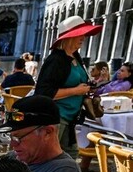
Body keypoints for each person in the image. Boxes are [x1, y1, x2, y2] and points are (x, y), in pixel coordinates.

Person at [35, 16, 102, 154]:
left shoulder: (75, 56)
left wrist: (87, 88)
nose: (83, 38)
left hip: (70, 118)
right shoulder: (56, 60)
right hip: (55, 117)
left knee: (69, 156)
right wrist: (76, 91)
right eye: (79, 34)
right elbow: (44, 92)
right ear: (69, 37)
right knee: (48, 157)